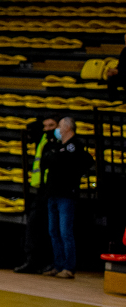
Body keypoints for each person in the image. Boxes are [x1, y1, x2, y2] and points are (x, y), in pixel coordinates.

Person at [39, 116, 93, 280]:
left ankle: (69, 267)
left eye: (60, 126)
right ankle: (58, 265)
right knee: (53, 231)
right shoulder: (57, 145)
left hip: (66, 194)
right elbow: (47, 161)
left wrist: (59, 161)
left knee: (65, 232)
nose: (57, 130)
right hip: (53, 193)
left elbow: (76, 163)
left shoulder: (75, 145)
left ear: (68, 128)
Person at [14, 116, 58, 274]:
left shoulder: (58, 142)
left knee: (50, 227)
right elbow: (32, 127)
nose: (47, 129)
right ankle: (32, 260)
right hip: (42, 189)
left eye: (51, 125)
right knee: (35, 224)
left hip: (53, 189)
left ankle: (48, 262)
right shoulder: (44, 139)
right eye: (45, 126)